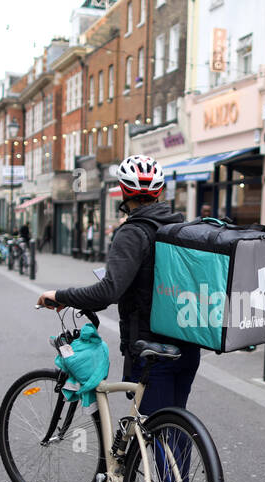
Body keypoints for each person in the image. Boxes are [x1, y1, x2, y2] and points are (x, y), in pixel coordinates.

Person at [37, 154, 199, 417]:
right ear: (159, 191)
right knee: (175, 425)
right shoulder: (180, 227)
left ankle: (156, 457)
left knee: (154, 427)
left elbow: (106, 293)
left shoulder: (132, 232)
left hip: (151, 348)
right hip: (187, 344)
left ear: (123, 190)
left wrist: (60, 295)